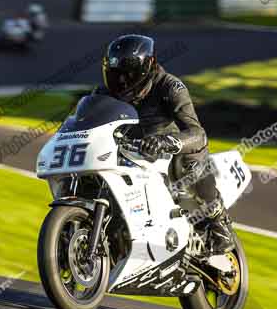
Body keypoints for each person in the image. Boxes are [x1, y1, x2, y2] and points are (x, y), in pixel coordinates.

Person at [95, 34, 235, 254]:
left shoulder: (170, 87)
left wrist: (165, 141)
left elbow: (198, 134)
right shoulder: (104, 94)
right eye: (115, 75)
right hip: (129, 155)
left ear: (146, 68)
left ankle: (219, 222)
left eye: (128, 75)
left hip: (168, 156)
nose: (121, 82)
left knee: (187, 164)